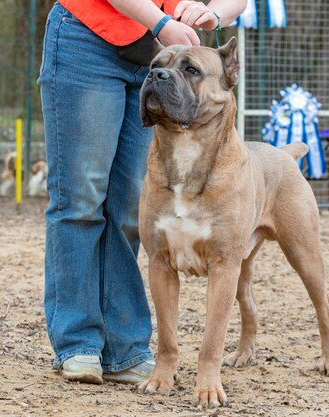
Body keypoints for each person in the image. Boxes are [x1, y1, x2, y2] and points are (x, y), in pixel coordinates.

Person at [38, 0, 247, 384]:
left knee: (129, 210)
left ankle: (125, 349)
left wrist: (213, 14)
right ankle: (78, 343)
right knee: (81, 199)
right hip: (88, 40)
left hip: (157, 54)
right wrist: (162, 21)